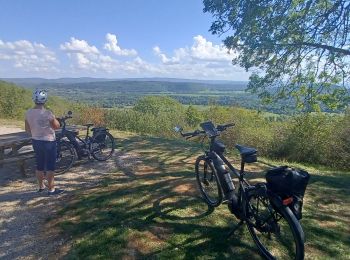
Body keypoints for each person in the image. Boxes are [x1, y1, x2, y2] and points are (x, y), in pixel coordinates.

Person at [25, 89, 64, 195]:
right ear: (45, 100)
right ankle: (51, 189)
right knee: (50, 166)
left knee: (39, 165)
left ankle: (41, 187)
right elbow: (57, 126)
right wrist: (54, 118)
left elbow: (27, 130)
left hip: (36, 141)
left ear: (34, 100)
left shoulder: (28, 113)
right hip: (49, 142)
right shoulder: (48, 113)